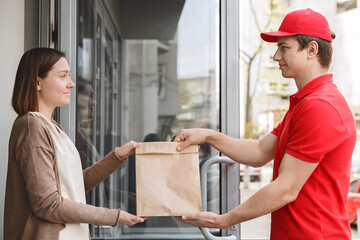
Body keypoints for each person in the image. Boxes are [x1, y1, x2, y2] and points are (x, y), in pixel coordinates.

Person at [174, 8, 356, 239]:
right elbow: (260, 151)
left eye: (284, 47)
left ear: (312, 49)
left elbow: (285, 189)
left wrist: (224, 220)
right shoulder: (305, 104)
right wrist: (209, 135)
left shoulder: (320, 107)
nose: (276, 56)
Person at [4, 47, 145, 240]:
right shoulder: (31, 127)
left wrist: (117, 156)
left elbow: (74, 185)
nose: (71, 84)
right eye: (63, 76)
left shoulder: (51, 126)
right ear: (38, 82)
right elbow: (48, 204)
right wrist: (115, 216)